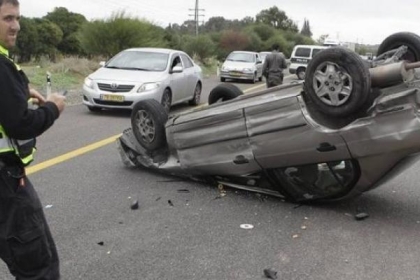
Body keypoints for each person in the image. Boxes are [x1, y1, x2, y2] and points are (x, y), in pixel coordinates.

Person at [0, 0, 66, 279]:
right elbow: (21, 124)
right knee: (39, 267)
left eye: (17, 18)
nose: (16, 26)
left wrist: (21, 89)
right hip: (7, 185)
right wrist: (53, 108)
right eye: (7, 19)